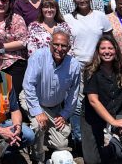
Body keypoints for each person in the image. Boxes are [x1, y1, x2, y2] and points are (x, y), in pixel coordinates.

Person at [63, 0, 112, 148]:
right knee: (76, 102)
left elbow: (108, 39)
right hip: (76, 65)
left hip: (97, 66)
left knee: (98, 101)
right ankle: (78, 137)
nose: (82, 0)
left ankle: (100, 134)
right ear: (74, 0)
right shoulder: (68, 18)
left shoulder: (100, 16)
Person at [22, 31, 81, 164]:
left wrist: (64, 114)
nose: (59, 49)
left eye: (64, 46)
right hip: (32, 99)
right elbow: (28, 85)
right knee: (38, 125)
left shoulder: (74, 65)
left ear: (69, 48)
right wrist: (37, 111)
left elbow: (73, 94)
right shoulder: (39, 56)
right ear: (50, 45)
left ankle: (38, 139)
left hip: (55, 107)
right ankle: (38, 157)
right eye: (56, 44)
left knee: (61, 143)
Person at [81, 36, 122, 164]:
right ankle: (113, 148)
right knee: (92, 161)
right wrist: (113, 122)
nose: (107, 51)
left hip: (117, 111)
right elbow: (93, 101)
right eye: (103, 48)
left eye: (110, 48)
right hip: (93, 116)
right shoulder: (90, 70)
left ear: (116, 50)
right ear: (98, 51)